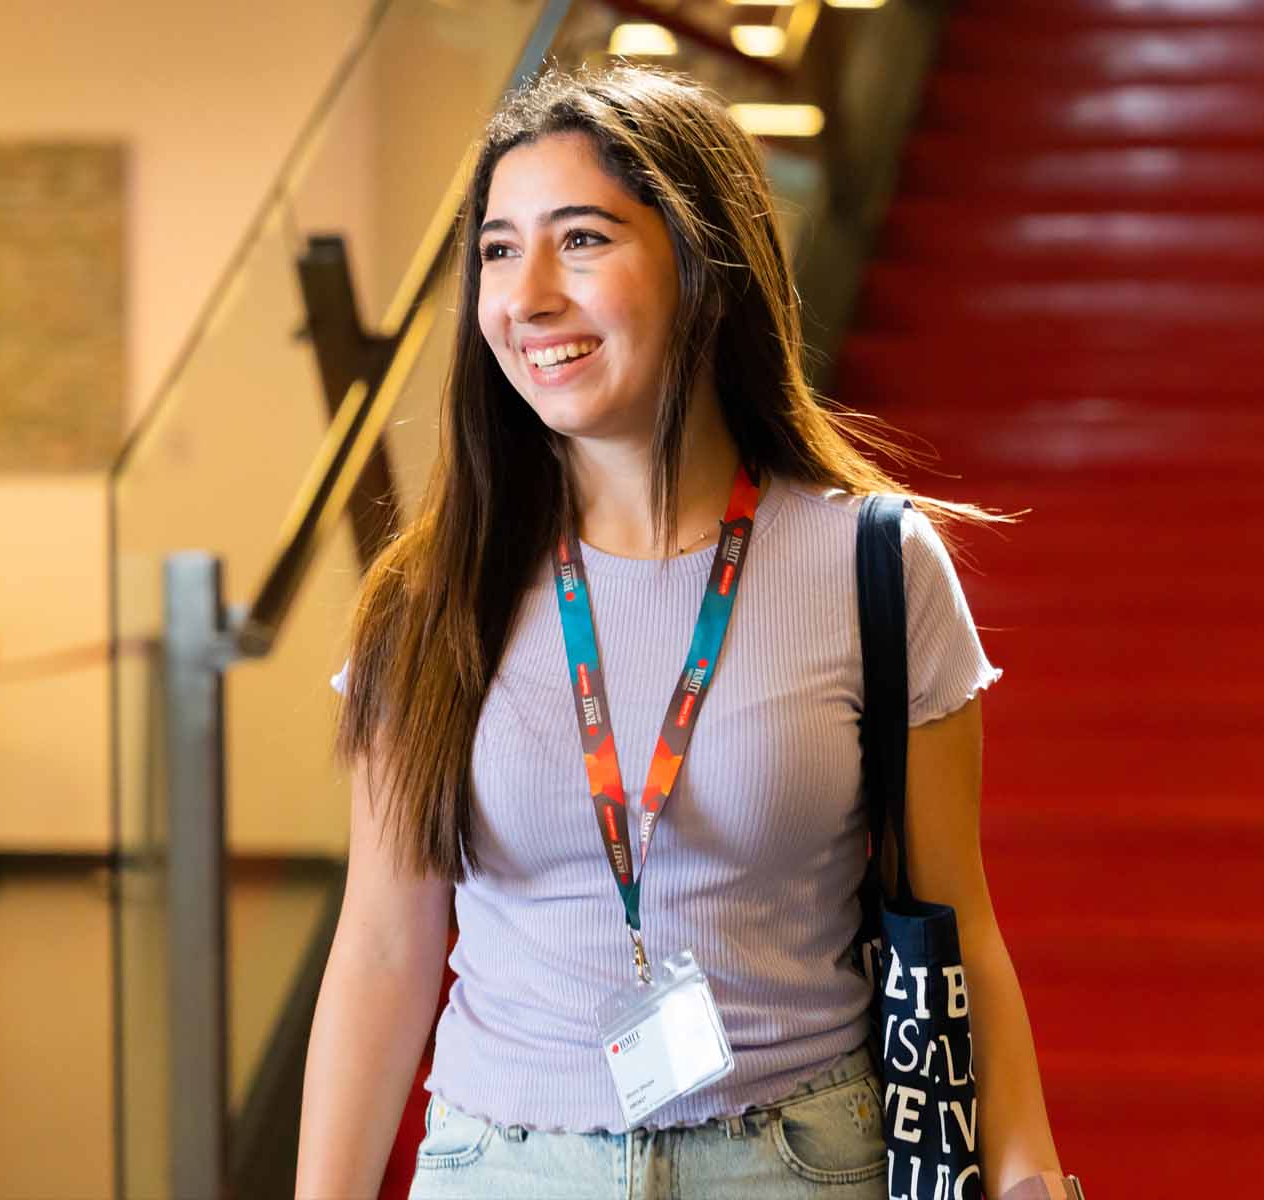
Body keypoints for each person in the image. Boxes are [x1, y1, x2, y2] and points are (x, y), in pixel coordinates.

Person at [296, 64, 1069, 1200]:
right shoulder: (432, 597)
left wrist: (1026, 1174)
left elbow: (958, 920)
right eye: (500, 250)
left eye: (583, 239)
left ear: (703, 264)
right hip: (501, 1167)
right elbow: (380, 947)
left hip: (797, 1164)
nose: (527, 295)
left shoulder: (870, 566)